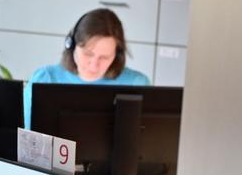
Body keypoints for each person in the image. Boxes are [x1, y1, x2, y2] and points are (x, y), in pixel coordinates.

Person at [23, 8, 151, 128]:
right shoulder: (45, 79)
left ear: (117, 55)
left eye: (104, 57)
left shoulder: (136, 84)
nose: (94, 65)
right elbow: (27, 136)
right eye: (88, 54)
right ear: (71, 45)